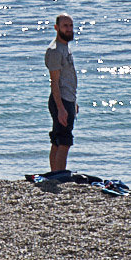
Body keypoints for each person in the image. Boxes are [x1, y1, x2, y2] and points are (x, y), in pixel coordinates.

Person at [45, 13, 77, 173]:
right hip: (61, 100)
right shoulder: (55, 51)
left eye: (71, 26)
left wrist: (73, 102)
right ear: (56, 28)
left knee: (58, 140)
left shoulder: (65, 47)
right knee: (64, 141)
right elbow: (54, 82)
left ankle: (54, 174)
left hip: (68, 99)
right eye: (65, 26)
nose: (69, 29)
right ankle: (59, 175)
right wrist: (61, 108)